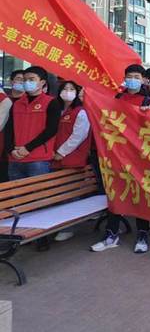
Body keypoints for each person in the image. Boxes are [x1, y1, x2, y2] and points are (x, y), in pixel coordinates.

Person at [91, 64, 150, 254]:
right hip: (117, 153)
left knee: (140, 195)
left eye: (136, 77)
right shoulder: (118, 97)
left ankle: (142, 235)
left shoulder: (148, 101)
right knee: (115, 192)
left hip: (138, 155)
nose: (132, 80)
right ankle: (111, 234)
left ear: (143, 80)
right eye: (129, 76)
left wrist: (146, 116)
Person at [4, 66, 61, 180]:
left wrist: (28, 148)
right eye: (25, 80)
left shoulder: (51, 102)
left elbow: (51, 130)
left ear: (42, 82)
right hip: (15, 158)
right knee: (16, 191)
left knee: (38, 191)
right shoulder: (17, 103)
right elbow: (9, 128)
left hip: (38, 159)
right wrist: (11, 150)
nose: (27, 82)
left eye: (31, 79)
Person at [51, 80, 92, 242]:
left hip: (72, 157)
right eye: (64, 89)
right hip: (55, 157)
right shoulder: (58, 110)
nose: (67, 92)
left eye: (71, 89)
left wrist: (61, 152)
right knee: (59, 193)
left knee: (70, 195)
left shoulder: (80, 111)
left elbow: (78, 136)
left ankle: (69, 228)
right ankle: (59, 225)